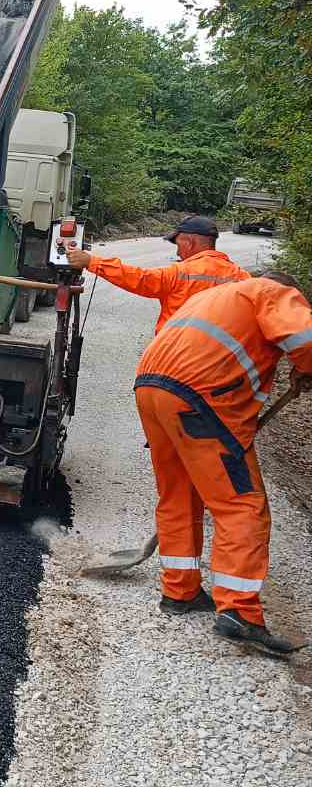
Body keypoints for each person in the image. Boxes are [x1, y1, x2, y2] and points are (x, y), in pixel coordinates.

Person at [134, 270, 312, 656]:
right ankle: (240, 612)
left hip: (151, 386)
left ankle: (179, 591)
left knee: (179, 493)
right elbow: (306, 339)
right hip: (199, 396)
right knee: (242, 505)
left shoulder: (219, 297)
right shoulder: (272, 291)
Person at [66, 215, 249, 333]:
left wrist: (92, 262)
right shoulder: (243, 278)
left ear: (190, 243)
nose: (177, 253)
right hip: (220, 368)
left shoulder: (179, 273)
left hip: (175, 358)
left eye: (178, 245)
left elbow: (139, 279)